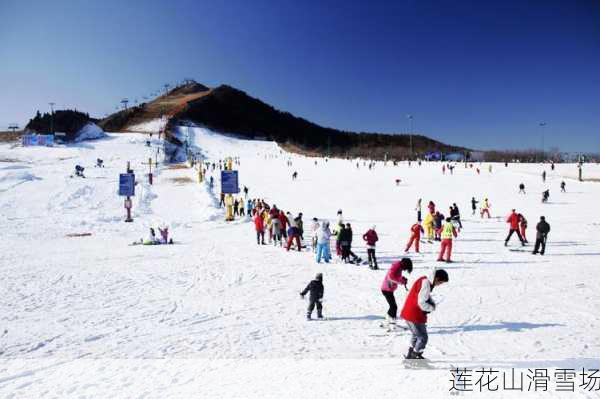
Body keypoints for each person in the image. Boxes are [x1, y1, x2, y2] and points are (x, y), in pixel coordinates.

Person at [401, 269, 449, 360]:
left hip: (409, 312)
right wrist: (431, 308)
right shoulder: (426, 284)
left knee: (416, 335)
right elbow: (422, 302)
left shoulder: (424, 280)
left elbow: (424, 296)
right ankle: (415, 355)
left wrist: (431, 303)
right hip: (414, 314)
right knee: (423, 337)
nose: (439, 285)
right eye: (440, 282)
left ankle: (411, 353)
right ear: (437, 279)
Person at [381, 258, 413, 328]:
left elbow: (396, 276)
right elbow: (391, 277)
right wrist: (401, 281)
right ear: (404, 265)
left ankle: (387, 322)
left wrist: (402, 278)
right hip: (387, 289)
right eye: (406, 268)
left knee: (392, 306)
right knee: (394, 307)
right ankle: (393, 324)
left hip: (388, 289)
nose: (405, 269)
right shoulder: (396, 266)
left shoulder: (398, 266)